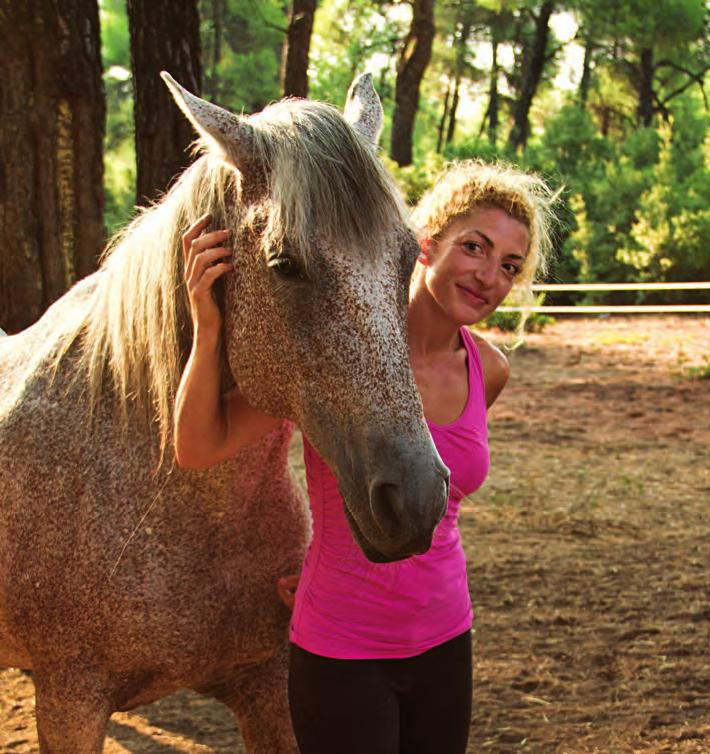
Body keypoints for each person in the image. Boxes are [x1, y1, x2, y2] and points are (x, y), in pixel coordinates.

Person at [174, 160, 557, 754]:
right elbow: (199, 446)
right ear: (425, 242)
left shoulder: (490, 371)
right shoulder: (341, 349)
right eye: (474, 247)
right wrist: (208, 326)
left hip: (447, 635)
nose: (488, 276)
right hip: (342, 645)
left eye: (509, 266)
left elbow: (433, 500)